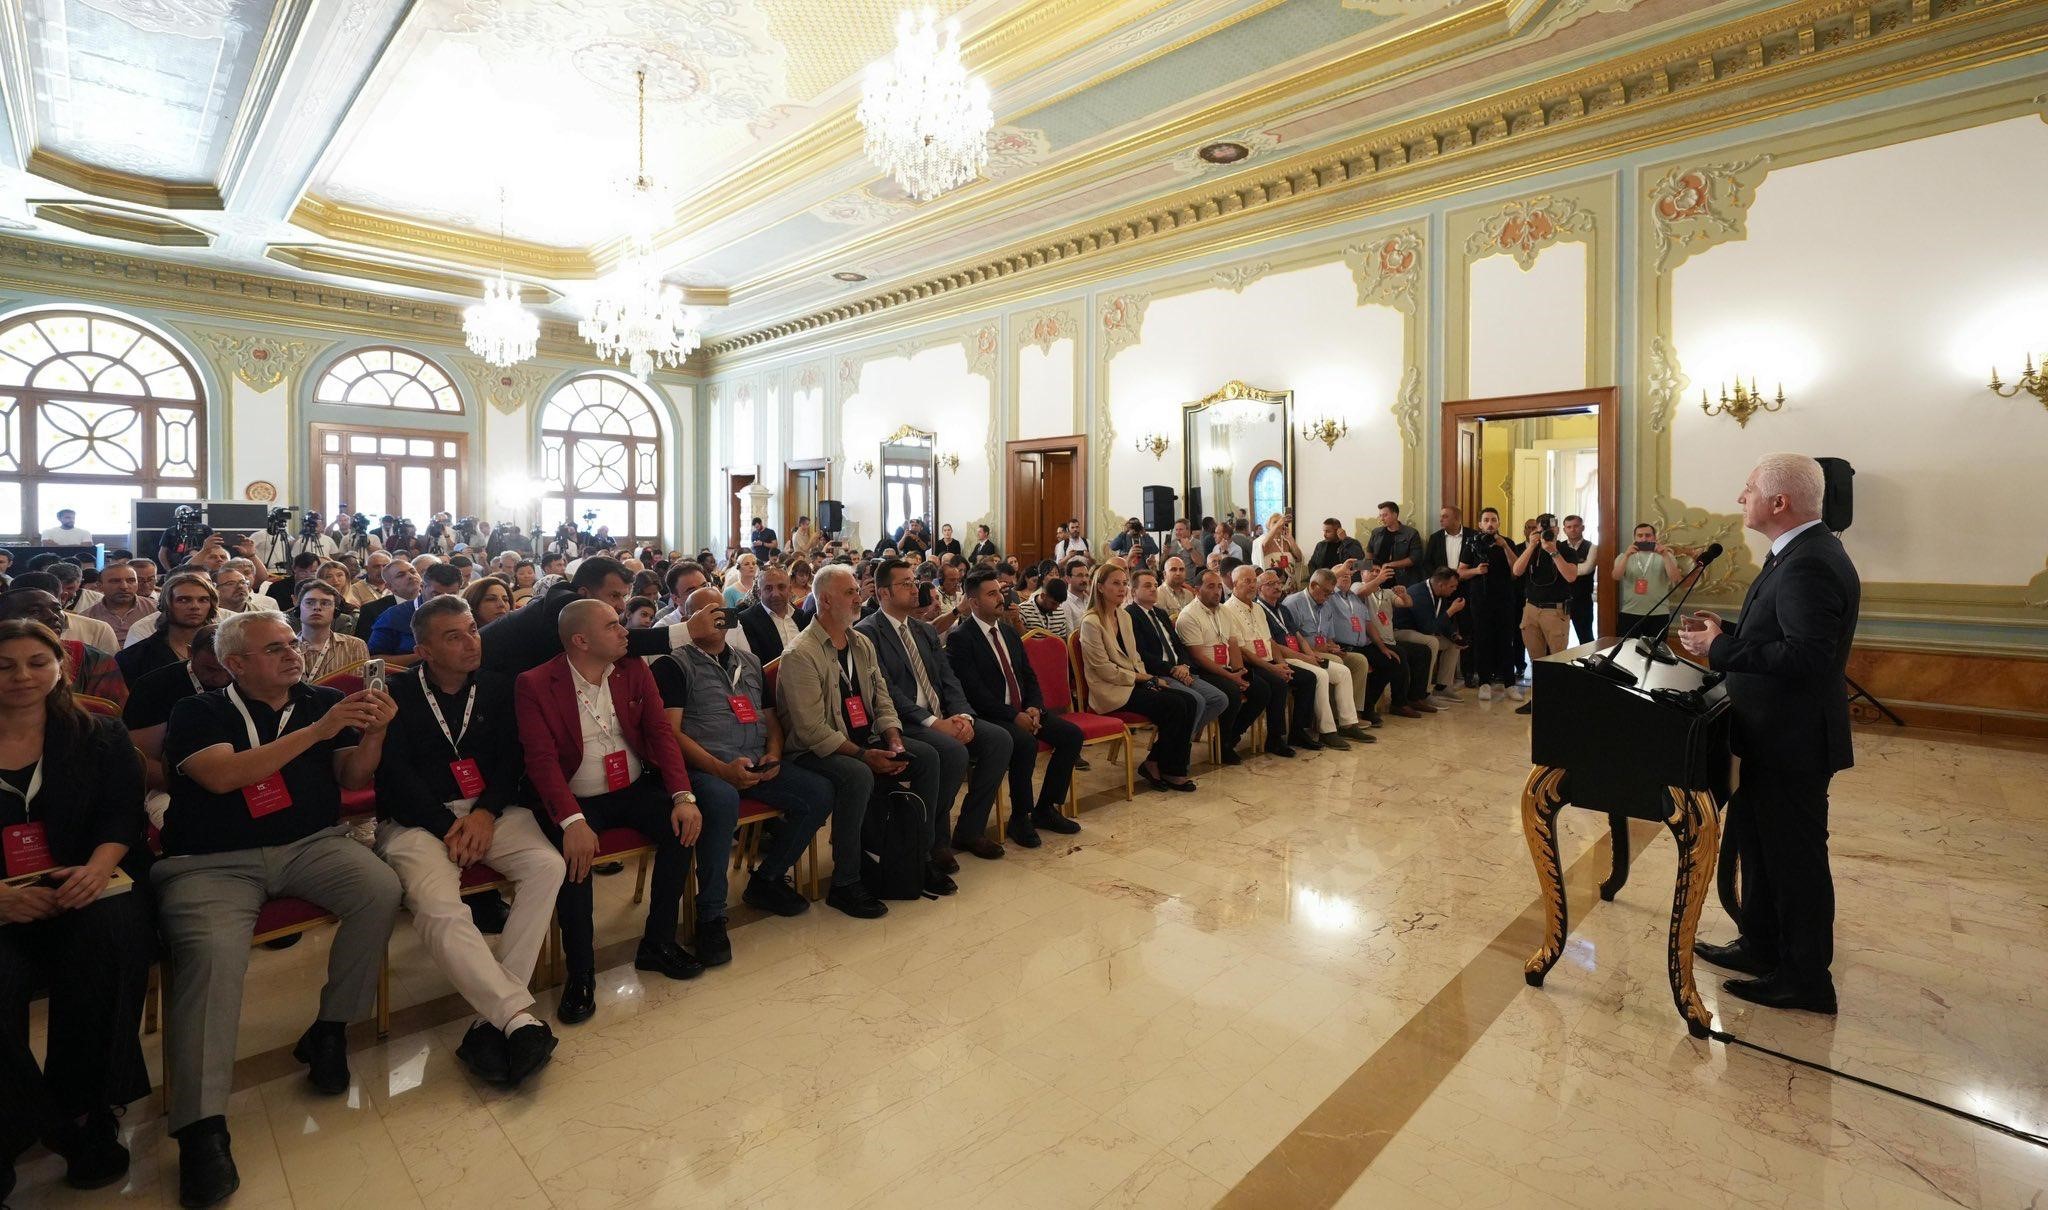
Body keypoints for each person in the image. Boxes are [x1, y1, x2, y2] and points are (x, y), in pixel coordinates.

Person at [153, 611, 401, 1208]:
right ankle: (202, 1127)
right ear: (236, 664)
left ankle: (330, 1030)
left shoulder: (321, 701)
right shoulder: (199, 711)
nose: (293, 653)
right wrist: (318, 732)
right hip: (212, 862)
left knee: (380, 889)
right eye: (275, 648)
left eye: (293, 643)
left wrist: (374, 733)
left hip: (309, 844)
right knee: (214, 956)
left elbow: (352, 776)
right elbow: (223, 776)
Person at [1682, 453, 1859, 1016]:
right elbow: (1781, 635)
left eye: (1750, 488)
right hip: (1768, 735)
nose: (1741, 498)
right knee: (1759, 848)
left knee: (1794, 860)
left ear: (1779, 502)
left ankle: (1806, 979)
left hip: (1793, 741)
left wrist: (1722, 649)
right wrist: (1728, 633)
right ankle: (1760, 945)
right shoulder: (1798, 552)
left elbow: (1807, 657)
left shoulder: (1810, 562)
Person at [376, 596, 561, 1084]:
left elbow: (511, 759)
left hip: (488, 810)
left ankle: (496, 1013)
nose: (470, 642)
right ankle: (516, 1016)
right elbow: (393, 774)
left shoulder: (499, 686)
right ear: (424, 650)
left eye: (473, 631)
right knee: (435, 903)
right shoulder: (396, 694)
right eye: (453, 636)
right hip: (417, 820)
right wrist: (446, 825)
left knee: (547, 865)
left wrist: (484, 813)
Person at [0, 620, 151, 1199]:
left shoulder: (98, 733)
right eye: (4, 665)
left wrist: (96, 868)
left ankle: (87, 1110)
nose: (21, 676)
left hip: (82, 880)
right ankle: (18, 1121)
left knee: (110, 938)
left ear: (59, 666)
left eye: (36, 662)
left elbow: (122, 813)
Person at [516, 600, 707, 1025]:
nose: (625, 632)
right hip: (576, 798)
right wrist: (572, 821)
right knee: (575, 860)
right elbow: (541, 761)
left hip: (632, 786)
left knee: (682, 829)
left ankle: (658, 942)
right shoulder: (535, 683)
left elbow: (660, 732)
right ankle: (581, 972)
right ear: (581, 640)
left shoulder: (632, 668)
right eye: (612, 626)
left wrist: (682, 795)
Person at [654, 586, 832, 927]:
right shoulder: (672, 665)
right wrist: (722, 770)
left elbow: (771, 718)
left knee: (819, 792)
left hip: (755, 761)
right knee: (723, 800)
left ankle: (767, 879)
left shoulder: (749, 662)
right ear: (688, 620)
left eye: (721, 611)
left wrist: (774, 755)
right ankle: (711, 913)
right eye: (705, 613)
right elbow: (671, 733)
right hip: (706, 768)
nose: (717, 619)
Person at [776, 563, 946, 909]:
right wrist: (865, 756)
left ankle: (918, 856)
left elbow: (882, 699)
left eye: (857, 591)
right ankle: (846, 881)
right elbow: (811, 730)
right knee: (858, 774)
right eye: (850, 592)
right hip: (814, 750)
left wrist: (894, 739)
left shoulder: (861, 643)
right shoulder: (800, 653)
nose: (858, 598)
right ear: (825, 600)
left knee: (926, 757)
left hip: (862, 739)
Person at [857, 560, 1010, 874]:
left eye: (914, 582)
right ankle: (933, 839)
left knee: (999, 740)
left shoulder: (924, 629)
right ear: (883, 592)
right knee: (953, 752)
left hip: (941, 714)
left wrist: (963, 715)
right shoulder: (867, 633)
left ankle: (969, 829)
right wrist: (934, 723)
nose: (915, 589)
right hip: (904, 722)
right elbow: (885, 690)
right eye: (905, 584)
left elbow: (948, 677)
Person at [946, 569, 1085, 847]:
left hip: (1023, 710)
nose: (1001, 598)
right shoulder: (962, 638)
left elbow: (1029, 676)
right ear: (973, 602)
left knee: (1071, 735)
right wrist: (1014, 715)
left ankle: (1045, 808)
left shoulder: (1009, 632)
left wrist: (1034, 707)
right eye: (992, 594)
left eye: (1000, 591)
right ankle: (1021, 817)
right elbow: (974, 693)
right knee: (1024, 743)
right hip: (991, 715)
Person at [1079, 564, 1197, 791]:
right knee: (1175, 705)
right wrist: (1143, 679)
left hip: (1133, 682)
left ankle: (1159, 763)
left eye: (1124, 583)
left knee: (1189, 701)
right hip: (1110, 690)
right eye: (1116, 583)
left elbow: (1135, 657)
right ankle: (1168, 769)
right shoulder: (1091, 622)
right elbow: (1103, 669)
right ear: (1100, 587)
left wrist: (1148, 678)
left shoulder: (1123, 616)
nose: (1122, 588)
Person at [1254, 569, 1365, 748]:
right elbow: (1273, 645)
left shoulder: (1282, 608)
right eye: (1271, 584)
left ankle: (1348, 724)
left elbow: (1298, 636)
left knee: (1343, 672)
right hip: (1283, 658)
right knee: (1320, 675)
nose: (1277, 586)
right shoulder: (1258, 610)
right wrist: (1305, 657)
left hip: (1301, 655)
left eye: (1279, 582)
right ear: (1259, 589)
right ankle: (1327, 731)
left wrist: (1311, 654)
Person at [1173, 568, 1268, 763]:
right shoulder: (1189, 615)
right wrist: (1231, 677)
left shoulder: (1224, 611)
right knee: (1232, 692)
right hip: (1202, 671)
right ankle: (1223, 746)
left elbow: (1233, 644)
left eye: (1219, 586)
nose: (1217, 591)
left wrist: (1239, 671)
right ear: (1197, 590)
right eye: (1211, 587)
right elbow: (1198, 657)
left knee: (1261, 689)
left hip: (1227, 669)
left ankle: (1232, 736)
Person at [1126, 567, 1230, 741]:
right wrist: (1173, 670)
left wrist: (1184, 666)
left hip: (1180, 670)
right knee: (1197, 700)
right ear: (1134, 591)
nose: (1153, 589)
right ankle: (1178, 745)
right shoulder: (1130, 615)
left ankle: (1178, 740)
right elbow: (1141, 654)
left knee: (1219, 699)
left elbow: (1178, 645)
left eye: (1155, 585)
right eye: (1147, 586)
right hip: (1158, 673)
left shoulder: (1160, 613)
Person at [1224, 566, 1319, 755]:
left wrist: (1281, 663)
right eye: (1247, 581)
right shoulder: (1227, 610)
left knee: (1308, 678)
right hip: (1249, 664)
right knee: (1278, 684)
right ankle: (1274, 739)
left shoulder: (1258, 608)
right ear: (1234, 584)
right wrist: (1272, 668)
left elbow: (1270, 641)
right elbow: (1242, 651)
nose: (1252, 585)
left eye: (1254, 581)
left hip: (1269, 660)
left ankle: (1298, 732)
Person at [1, 579, 129, 707]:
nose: (53, 616)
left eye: (57, 609)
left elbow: (113, 712)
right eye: (35, 611)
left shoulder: (92, 659)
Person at [1283, 568, 1377, 733]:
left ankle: (1351, 714)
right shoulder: (1293, 603)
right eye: (1326, 592)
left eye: (1331, 593)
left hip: (1325, 650)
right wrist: (1316, 648)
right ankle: (1334, 716)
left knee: (1359, 661)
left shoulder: (1326, 606)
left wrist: (1334, 647)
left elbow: (1329, 637)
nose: (1328, 597)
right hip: (1305, 653)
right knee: (1337, 663)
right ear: (1313, 585)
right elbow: (1290, 641)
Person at [1509, 514, 1579, 715]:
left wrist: (1553, 552)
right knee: (1536, 659)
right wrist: (1532, 546)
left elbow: (1571, 576)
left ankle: (1558, 702)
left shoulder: (1566, 550)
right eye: (1542, 529)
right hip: (1531, 609)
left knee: (1557, 659)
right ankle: (1537, 701)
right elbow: (1517, 571)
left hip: (1555, 610)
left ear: (1557, 530)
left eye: (1551, 528)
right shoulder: (1532, 549)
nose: (1547, 532)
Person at [1464, 508, 1520, 700]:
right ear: (1480, 524)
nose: (1490, 523)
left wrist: (1504, 547)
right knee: (1482, 641)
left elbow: (1516, 571)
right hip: (1480, 600)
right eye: (1486, 520)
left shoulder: (1508, 542)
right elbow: (1460, 572)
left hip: (1504, 599)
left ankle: (1510, 684)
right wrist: (1476, 571)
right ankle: (1484, 683)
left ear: (1499, 523)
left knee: (1506, 641)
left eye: (1493, 520)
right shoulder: (1471, 543)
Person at [1392, 566, 1467, 705]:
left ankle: (1443, 687)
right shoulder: (1419, 594)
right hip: (1400, 632)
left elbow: (1441, 620)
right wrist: (1451, 611)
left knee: (1452, 644)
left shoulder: (1440, 594)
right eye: (1452, 586)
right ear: (1441, 585)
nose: (1455, 589)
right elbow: (1428, 628)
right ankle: (1424, 693)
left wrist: (1454, 635)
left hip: (1418, 632)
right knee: (1431, 642)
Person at [369, 562, 464, 657]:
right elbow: (374, 660)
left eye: (452, 595)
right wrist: (425, 656)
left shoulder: (465, 614)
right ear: (422, 587)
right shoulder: (393, 617)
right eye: (436, 594)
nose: (444, 601)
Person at [1614, 523, 1683, 640]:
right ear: (1634, 538)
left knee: (1656, 650)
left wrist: (1665, 555)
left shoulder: (1666, 556)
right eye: (1640, 535)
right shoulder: (1623, 556)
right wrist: (1626, 556)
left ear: (1654, 537)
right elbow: (1616, 576)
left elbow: (1675, 578)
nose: (1644, 539)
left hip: (1659, 613)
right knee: (1625, 648)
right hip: (1630, 612)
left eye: (1648, 535)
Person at [295, 579, 369, 684]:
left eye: (325, 603)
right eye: (309, 602)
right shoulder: (286, 646)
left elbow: (360, 687)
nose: (317, 607)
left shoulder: (355, 645)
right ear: (298, 609)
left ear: (336, 612)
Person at [732, 565, 809, 663]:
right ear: (759, 593)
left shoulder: (801, 616)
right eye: (768, 588)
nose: (775, 594)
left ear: (790, 590)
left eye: (781, 587)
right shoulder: (746, 620)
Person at [80, 560, 149, 645]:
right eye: (115, 581)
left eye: (131, 580)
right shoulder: (86, 618)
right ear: (100, 586)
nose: (124, 586)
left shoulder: (156, 609)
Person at [1366, 501, 1424, 586]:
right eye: (1380, 515)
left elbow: (1415, 558)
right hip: (1378, 576)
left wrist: (1390, 565)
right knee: (1355, 566)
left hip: (1400, 578)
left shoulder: (1411, 533)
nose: (1381, 519)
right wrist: (1370, 567)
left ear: (1395, 515)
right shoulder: (1376, 532)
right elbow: (1369, 552)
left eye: (1385, 515)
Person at [1558, 514, 1595, 645]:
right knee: (1558, 638)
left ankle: (1589, 660)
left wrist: (1563, 568)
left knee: (1586, 638)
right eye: (1569, 527)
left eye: (1576, 526)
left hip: (1582, 600)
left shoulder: (1592, 547)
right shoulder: (1558, 547)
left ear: (1582, 527)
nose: (1572, 529)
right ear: (1564, 530)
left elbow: (1587, 569)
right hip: (1561, 599)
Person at [1015, 574, 1070, 638]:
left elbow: (1062, 640)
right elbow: (1021, 640)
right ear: (1043, 596)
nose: (1056, 608)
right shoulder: (1023, 610)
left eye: (1059, 603)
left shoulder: (1060, 611)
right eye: (1053, 603)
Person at [1250, 513, 1304, 577]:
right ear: (1268, 526)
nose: (1279, 524)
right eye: (1275, 522)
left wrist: (1290, 538)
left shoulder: (1287, 541)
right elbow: (1263, 547)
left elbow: (1299, 558)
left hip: (1290, 580)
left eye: (1281, 522)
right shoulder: (1262, 540)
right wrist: (1278, 524)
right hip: (1272, 580)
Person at [1058, 558, 1093, 634]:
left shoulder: (1090, 599)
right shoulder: (1065, 603)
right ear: (1068, 579)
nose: (1084, 579)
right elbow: (1070, 635)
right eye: (1080, 576)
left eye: (1086, 575)